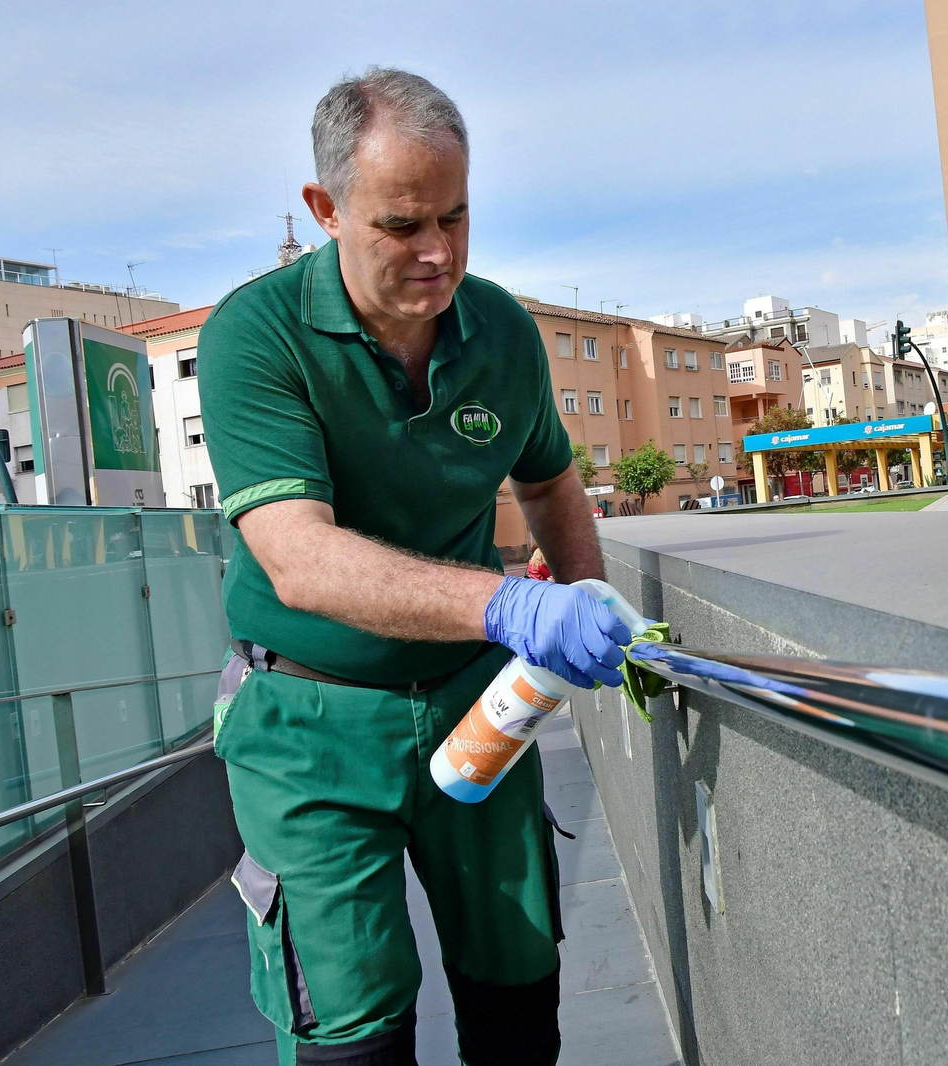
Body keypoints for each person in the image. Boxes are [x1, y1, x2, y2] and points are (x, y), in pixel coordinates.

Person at [198, 68, 632, 1066]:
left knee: (517, 989)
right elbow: (299, 559)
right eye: (401, 224)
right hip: (312, 720)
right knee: (353, 1028)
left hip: (476, 704)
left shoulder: (502, 331)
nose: (437, 251)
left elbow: (552, 480)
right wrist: (504, 608)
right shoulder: (254, 338)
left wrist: (578, 599)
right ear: (325, 208)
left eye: (456, 215)